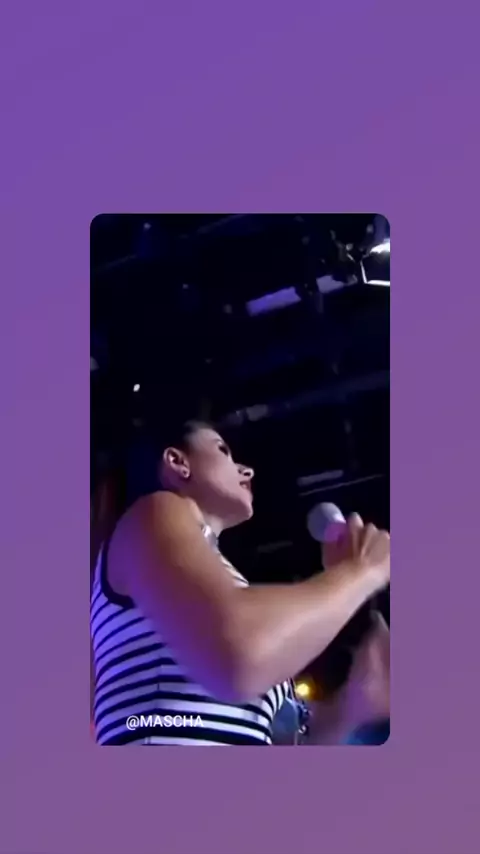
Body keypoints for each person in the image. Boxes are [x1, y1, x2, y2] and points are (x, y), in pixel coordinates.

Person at [90, 418, 390, 746]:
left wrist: (353, 706)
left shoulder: (228, 587)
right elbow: (238, 657)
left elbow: (284, 740)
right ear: (177, 462)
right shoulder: (152, 513)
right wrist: (361, 572)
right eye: (223, 450)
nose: (248, 470)